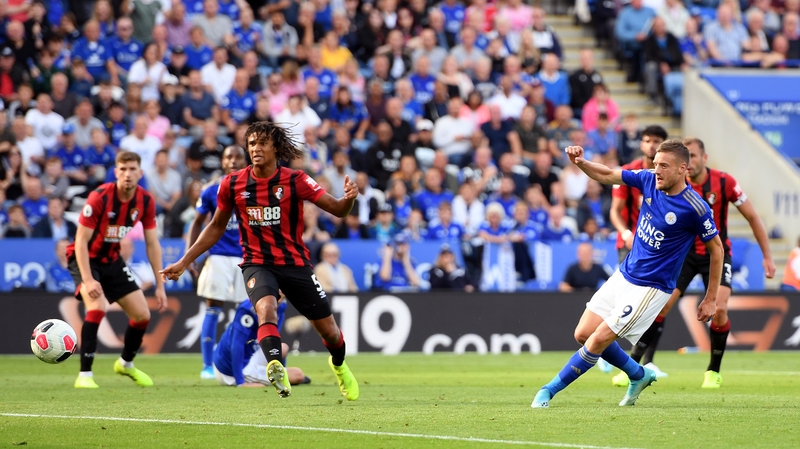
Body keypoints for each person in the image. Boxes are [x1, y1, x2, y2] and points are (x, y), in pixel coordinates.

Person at [161, 122, 360, 401]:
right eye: (252, 143)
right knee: (265, 308)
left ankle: (338, 365)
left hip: (295, 264)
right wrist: (184, 260)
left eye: (262, 143)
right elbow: (215, 226)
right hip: (257, 263)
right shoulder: (232, 184)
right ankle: (274, 366)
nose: (256, 148)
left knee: (329, 332)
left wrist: (349, 199)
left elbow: (338, 209)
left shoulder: (296, 180)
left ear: (276, 148)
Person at [532, 140, 723, 409]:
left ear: (683, 168)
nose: (656, 170)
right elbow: (609, 174)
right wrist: (581, 163)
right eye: (655, 164)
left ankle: (547, 391)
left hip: (652, 287)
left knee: (598, 339)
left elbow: (717, 249)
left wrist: (711, 298)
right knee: (583, 334)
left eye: (664, 166)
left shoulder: (695, 207)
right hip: (625, 274)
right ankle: (638, 374)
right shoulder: (647, 180)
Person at [611, 137, 776, 389]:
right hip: (685, 256)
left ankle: (713, 371)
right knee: (662, 306)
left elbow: (753, 217)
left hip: (716, 255)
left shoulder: (725, 182)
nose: (692, 164)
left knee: (719, 310)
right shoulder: (673, 185)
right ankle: (634, 364)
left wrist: (767, 255)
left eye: (696, 157)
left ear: (702, 159)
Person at [67, 151, 168, 389]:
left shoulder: (145, 201)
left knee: (142, 314)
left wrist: (160, 284)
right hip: (85, 259)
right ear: (116, 173)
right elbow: (80, 241)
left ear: (140, 173)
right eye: (123, 169)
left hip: (112, 260)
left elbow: (153, 244)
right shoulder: (99, 197)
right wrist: (88, 279)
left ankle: (126, 363)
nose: (128, 174)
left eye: (132, 169)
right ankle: (84, 375)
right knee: (97, 305)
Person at [186, 146, 247, 379]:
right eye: (229, 157)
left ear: (245, 160)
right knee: (213, 308)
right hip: (219, 255)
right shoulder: (211, 190)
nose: (233, 161)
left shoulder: (255, 188)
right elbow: (197, 223)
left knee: (247, 311)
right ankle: (207, 365)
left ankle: (242, 360)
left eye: (238, 157)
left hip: (247, 257)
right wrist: (190, 255)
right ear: (222, 162)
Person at [213, 298, 308, 387]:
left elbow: (273, 339)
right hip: (230, 370)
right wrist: (240, 382)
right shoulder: (248, 309)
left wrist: (281, 371)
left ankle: (273, 373)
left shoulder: (281, 305)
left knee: (283, 348)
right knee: (297, 374)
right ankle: (246, 378)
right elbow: (237, 345)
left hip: (251, 353)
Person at [610, 125, 667, 263]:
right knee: (626, 285)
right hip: (630, 242)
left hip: (659, 243)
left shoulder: (671, 175)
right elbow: (615, 211)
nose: (651, 145)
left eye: (656, 141)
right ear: (641, 145)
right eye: (647, 141)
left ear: (664, 145)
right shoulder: (628, 172)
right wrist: (626, 234)